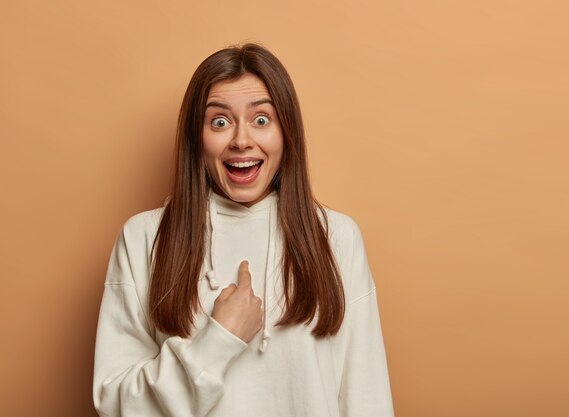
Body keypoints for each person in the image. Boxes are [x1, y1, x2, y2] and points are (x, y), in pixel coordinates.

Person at [92, 42, 394, 417]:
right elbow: (118, 405)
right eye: (219, 121)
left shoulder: (336, 238)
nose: (241, 140)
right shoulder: (143, 239)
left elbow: (367, 399)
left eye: (262, 119)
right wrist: (218, 340)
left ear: (287, 133)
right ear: (196, 139)